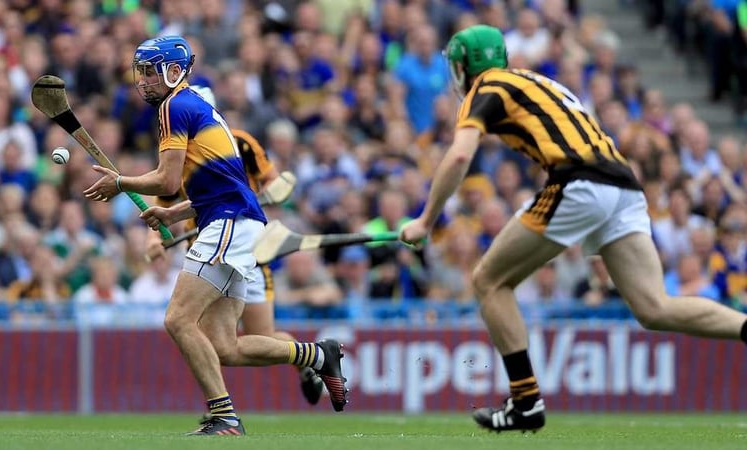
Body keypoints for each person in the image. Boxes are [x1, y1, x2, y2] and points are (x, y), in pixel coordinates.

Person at [399, 25, 747, 433]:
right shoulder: (534, 80)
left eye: (457, 66)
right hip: (623, 186)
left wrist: (425, 220)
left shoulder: (485, 87)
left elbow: (459, 157)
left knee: (488, 281)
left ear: (466, 66)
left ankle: (525, 403)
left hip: (580, 183)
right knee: (654, 307)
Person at [83, 36, 346, 436]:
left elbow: (166, 180)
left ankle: (224, 416)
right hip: (235, 221)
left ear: (174, 71)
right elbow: (217, 187)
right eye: (141, 72)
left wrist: (120, 182)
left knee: (177, 319)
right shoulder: (196, 106)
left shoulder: (174, 107)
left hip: (228, 225)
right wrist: (174, 212)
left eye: (151, 72)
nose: (143, 81)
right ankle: (316, 355)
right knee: (226, 347)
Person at [144, 126, 325, 406]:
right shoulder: (175, 152)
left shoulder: (240, 142)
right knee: (213, 341)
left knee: (259, 338)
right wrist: (153, 239)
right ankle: (221, 408)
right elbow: (165, 199)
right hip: (207, 249)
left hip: (244, 246)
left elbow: (275, 183)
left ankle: (306, 360)